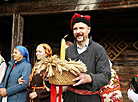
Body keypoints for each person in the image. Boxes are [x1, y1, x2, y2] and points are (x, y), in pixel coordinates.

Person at [63, 13, 111, 102]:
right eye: (75, 29)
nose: (78, 31)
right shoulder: (68, 51)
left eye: (81, 28)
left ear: (88, 29)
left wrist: (89, 78)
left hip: (90, 98)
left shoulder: (98, 49)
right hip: (70, 97)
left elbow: (106, 76)